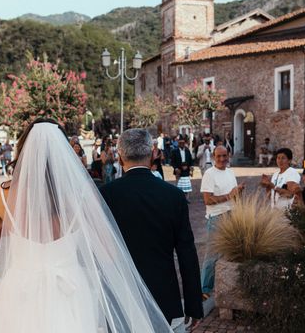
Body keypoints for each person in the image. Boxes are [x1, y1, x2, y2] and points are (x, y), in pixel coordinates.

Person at [0, 119, 174, 333]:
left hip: (20, 293)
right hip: (71, 291)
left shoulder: (0, 197)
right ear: (63, 154)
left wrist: (8, 230)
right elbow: (110, 254)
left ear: (23, 152)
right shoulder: (82, 195)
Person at [100, 128, 204, 332]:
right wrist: (193, 305)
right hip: (164, 297)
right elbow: (187, 254)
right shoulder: (173, 196)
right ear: (152, 154)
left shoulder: (104, 195)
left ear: (120, 158)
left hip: (121, 299)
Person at [200, 146, 244, 300]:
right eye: (218, 156)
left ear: (228, 155)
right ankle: (204, 288)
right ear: (213, 156)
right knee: (212, 254)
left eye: (224, 156)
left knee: (230, 252)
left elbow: (233, 195)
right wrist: (229, 196)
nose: (222, 159)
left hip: (232, 215)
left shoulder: (230, 172)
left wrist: (238, 195)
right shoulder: (209, 174)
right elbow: (208, 200)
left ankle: (227, 285)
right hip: (217, 217)